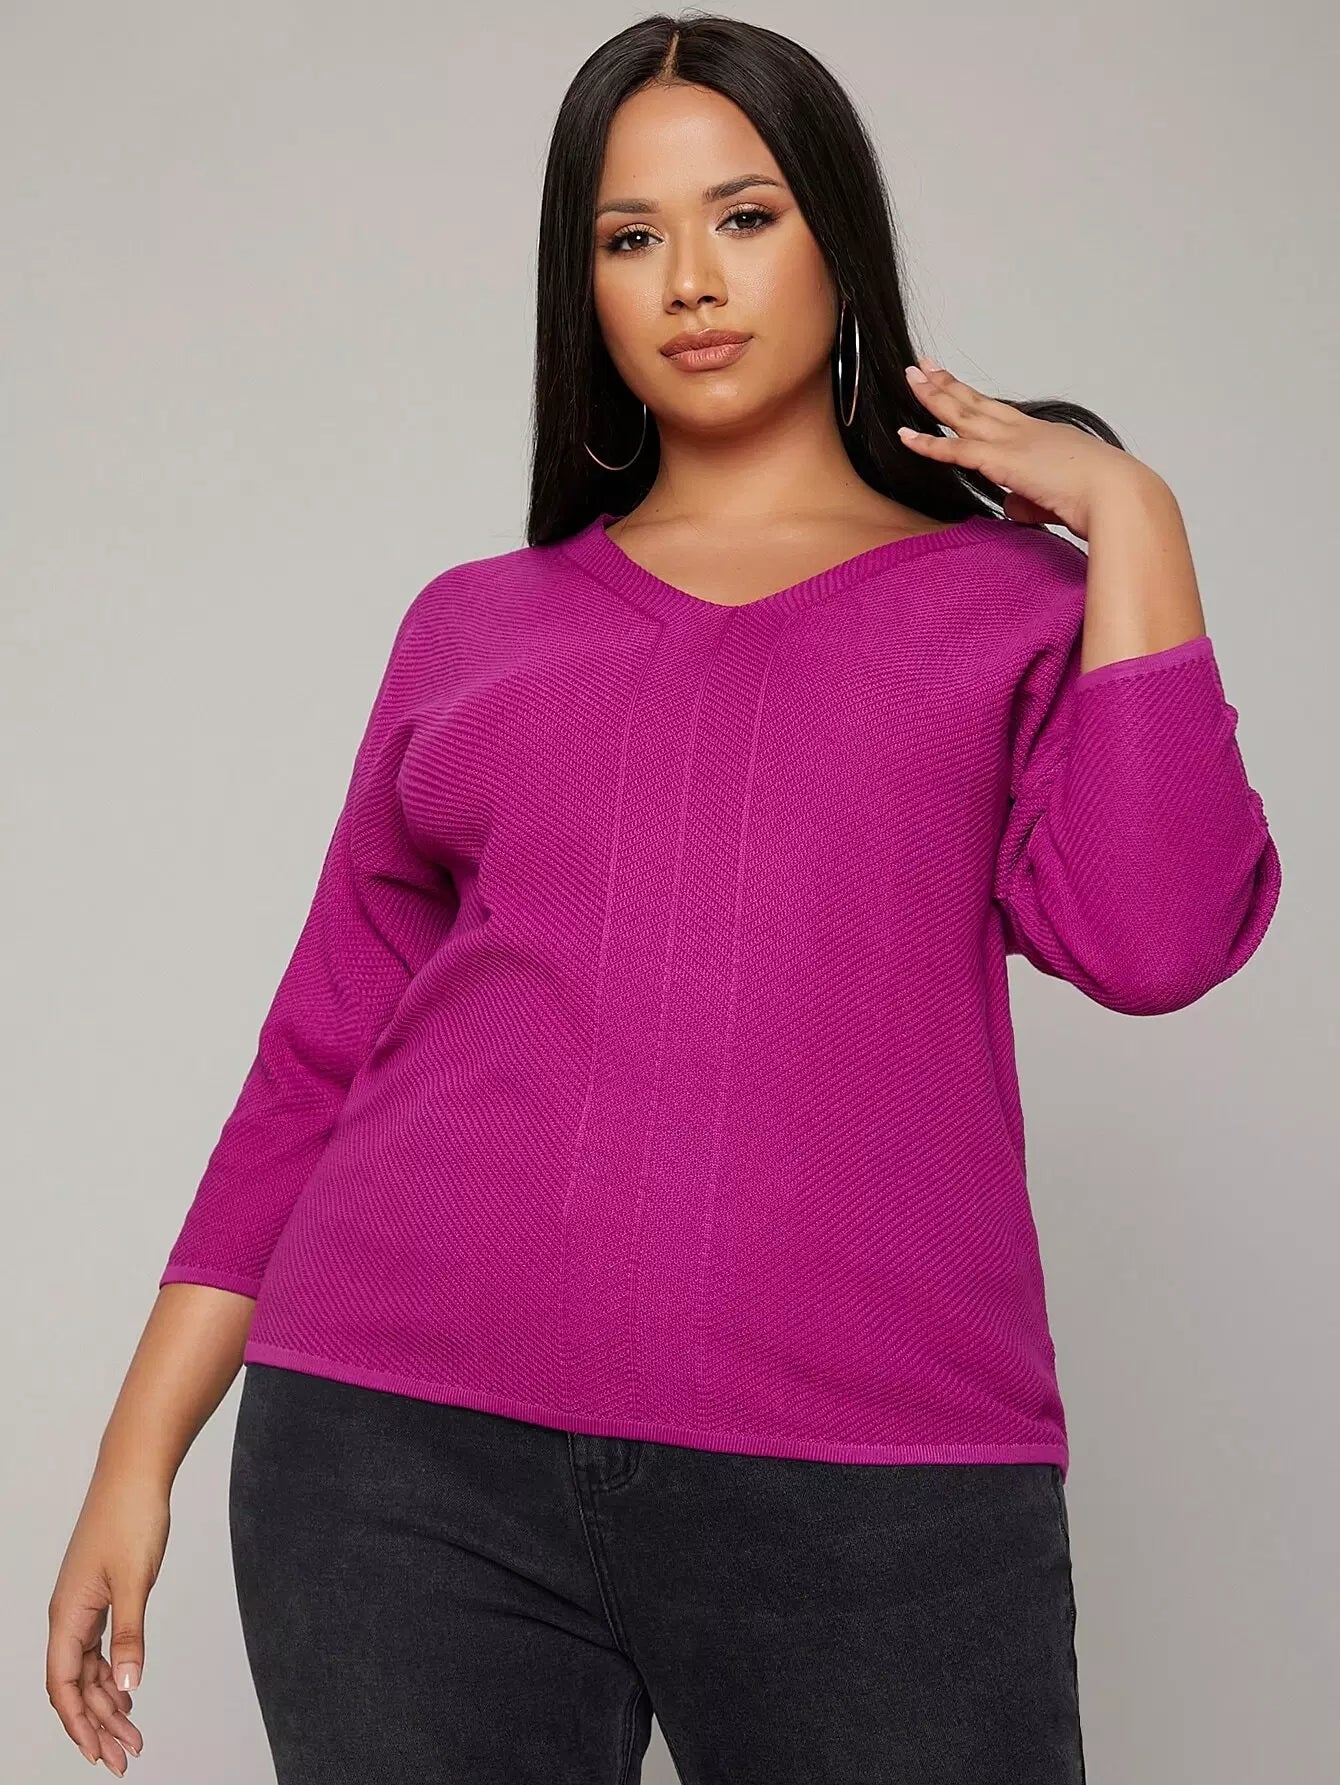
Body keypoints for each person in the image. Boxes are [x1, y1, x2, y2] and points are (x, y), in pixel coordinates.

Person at [46, 13, 1281, 1782]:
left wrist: (1132, 515)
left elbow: (1155, 940)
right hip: (398, 1461)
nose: (691, 280)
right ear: (587, 285)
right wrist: (135, 1454)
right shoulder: (474, 628)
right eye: (632, 236)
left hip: (874, 1484)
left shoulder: (1014, 607)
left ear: (840, 240)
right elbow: (319, 1050)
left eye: (745, 217)